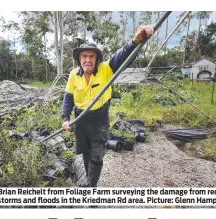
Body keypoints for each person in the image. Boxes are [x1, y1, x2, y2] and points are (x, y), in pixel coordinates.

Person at [61, 25, 154, 187]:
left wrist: (135, 40)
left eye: (91, 56)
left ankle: (92, 186)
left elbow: (123, 56)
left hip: (99, 120)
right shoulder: (73, 75)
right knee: (86, 152)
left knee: (97, 155)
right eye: (84, 56)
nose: (88, 60)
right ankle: (90, 182)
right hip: (80, 119)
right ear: (79, 59)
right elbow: (68, 97)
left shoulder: (105, 69)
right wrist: (65, 118)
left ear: (97, 59)